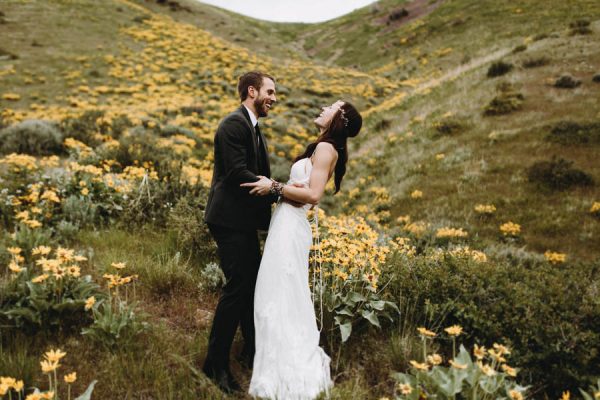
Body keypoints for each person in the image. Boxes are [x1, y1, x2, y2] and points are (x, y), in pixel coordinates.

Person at [242, 100, 363, 399]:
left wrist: (274, 187)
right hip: (287, 223)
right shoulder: (325, 146)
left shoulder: (326, 149)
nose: (323, 107)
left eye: (331, 106)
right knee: (279, 290)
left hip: (291, 225)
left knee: (277, 292)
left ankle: (283, 369)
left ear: (338, 118)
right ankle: (273, 357)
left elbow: (313, 195)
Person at [203, 71, 279, 394]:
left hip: (243, 222)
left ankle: (250, 352)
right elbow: (237, 174)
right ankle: (215, 365)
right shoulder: (234, 124)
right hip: (229, 220)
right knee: (236, 288)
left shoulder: (253, 127)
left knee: (251, 286)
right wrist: (278, 190)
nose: (274, 99)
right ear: (252, 91)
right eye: (270, 92)